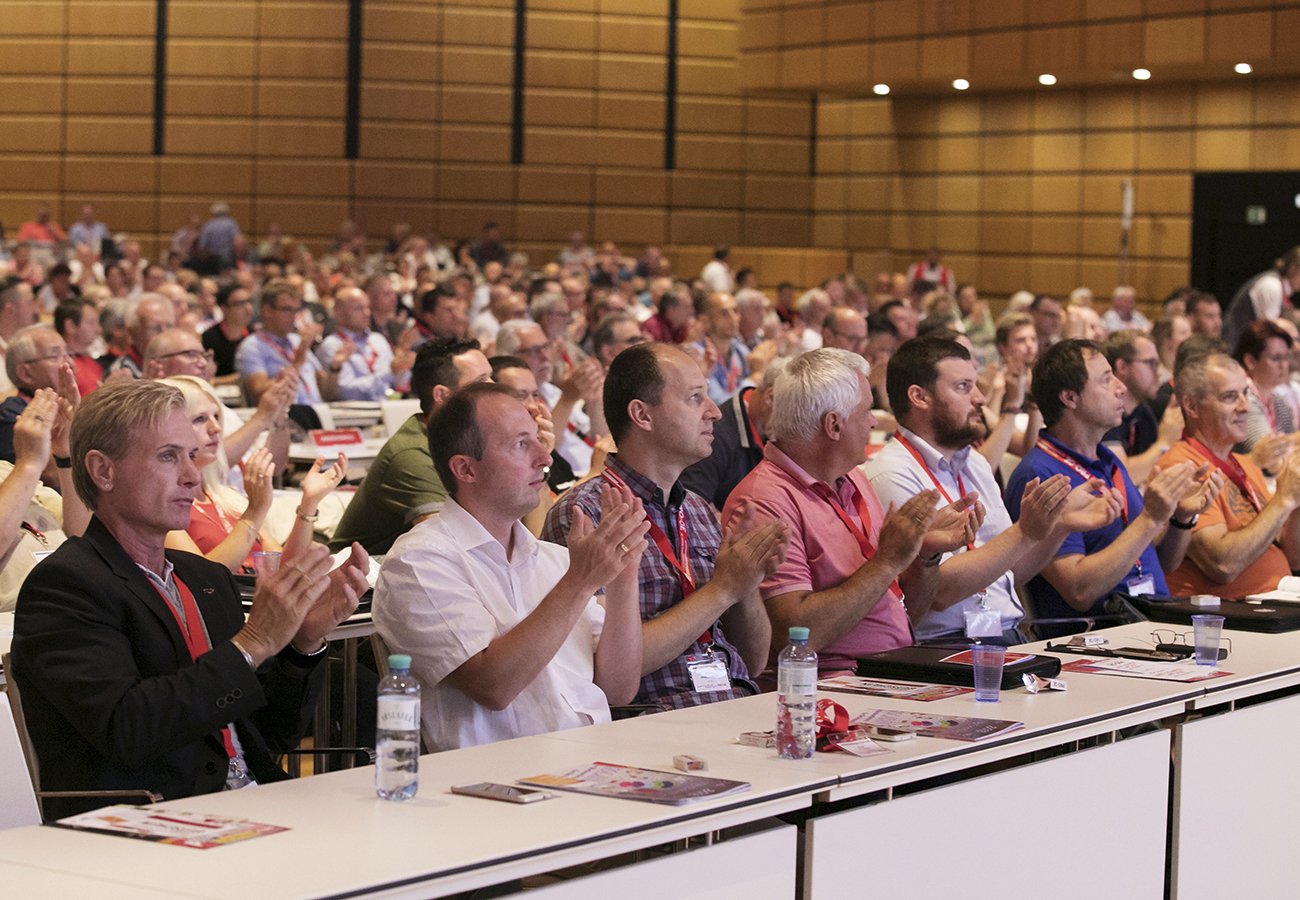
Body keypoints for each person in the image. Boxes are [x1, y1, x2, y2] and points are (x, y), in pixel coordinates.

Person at [10, 380, 369, 818]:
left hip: (256, 805)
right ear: (103, 471)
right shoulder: (66, 585)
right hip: (151, 823)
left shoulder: (204, 578)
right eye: (167, 456)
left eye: (191, 455)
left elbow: (269, 735)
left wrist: (302, 643)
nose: (192, 475)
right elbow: (128, 729)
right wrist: (252, 643)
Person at [374, 383, 647, 750]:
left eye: (538, 440)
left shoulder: (555, 560)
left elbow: (618, 689)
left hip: (592, 760)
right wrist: (581, 581)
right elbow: (493, 686)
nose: (545, 458)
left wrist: (623, 577)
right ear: (466, 469)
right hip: (496, 784)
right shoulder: (418, 561)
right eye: (521, 444)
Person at [542, 344, 789, 710]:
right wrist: (721, 590)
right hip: (650, 718)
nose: (714, 413)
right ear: (642, 414)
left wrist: (746, 581)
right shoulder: (586, 515)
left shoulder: (702, 511)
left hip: (734, 706)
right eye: (695, 398)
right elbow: (601, 668)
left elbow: (753, 662)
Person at [723, 349, 979, 673]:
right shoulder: (764, 502)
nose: (874, 421)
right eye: (866, 411)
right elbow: (796, 637)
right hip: (826, 689)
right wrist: (887, 562)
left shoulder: (852, 477)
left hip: (894, 668)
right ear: (833, 424)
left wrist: (923, 554)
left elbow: (906, 613)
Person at [865, 337, 1117, 643]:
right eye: (963, 387)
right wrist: (1025, 531)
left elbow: (1010, 570)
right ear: (919, 397)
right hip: (944, 643)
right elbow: (938, 591)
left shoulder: (975, 464)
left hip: (1005, 635)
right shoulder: (893, 473)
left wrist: (1058, 524)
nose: (981, 398)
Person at [1005, 340, 1219, 634]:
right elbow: (1078, 590)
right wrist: (1150, 519)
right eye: (1106, 380)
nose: (1121, 388)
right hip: (1098, 641)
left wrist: (1181, 518)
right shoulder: (1042, 475)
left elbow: (1163, 563)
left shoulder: (1107, 461)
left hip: (1150, 627)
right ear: (1070, 397)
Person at [160, 376, 345, 574]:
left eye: (216, 416)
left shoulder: (226, 497)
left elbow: (284, 568)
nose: (216, 428)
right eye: (199, 419)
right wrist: (254, 512)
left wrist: (309, 503)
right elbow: (204, 579)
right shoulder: (165, 507)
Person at [329, 337, 492, 555]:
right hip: (359, 581)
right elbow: (449, 549)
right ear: (442, 395)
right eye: (481, 381)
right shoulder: (413, 455)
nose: (495, 388)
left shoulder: (470, 441)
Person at [1155, 353, 1300, 598]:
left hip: (1279, 597)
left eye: (1245, 393)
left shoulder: (1243, 464)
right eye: (1230, 397)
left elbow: (1294, 555)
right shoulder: (1185, 466)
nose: (1245, 407)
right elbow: (1223, 565)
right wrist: (1283, 500)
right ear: (1192, 407)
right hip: (1227, 616)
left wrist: (1295, 503)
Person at [0, 388, 89, 611]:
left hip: (80, 604)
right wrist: (29, 464)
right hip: (17, 623)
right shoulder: (21, 472)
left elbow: (84, 534)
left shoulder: (6, 471)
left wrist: (67, 454)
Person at [680, 356, 785, 512]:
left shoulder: (771, 430)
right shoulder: (715, 435)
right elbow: (690, 509)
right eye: (793, 409)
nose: (798, 423)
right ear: (770, 397)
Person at [1101, 330, 1184, 484]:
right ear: (1123, 366)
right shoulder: (1103, 412)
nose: (1158, 372)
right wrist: (1165, 442)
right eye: (1151, 363)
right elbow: (1120, 477)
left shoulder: (1143, 412)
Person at [236, 280, 336, 405]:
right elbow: (260, 393)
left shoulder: (297, 340)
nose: (293, 316)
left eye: (296, 310)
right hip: (283, 418)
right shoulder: (251, 347)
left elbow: (326, 390)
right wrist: (297, 363)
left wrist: (335, 367)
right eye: (287, 310)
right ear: (267, 311)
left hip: (315, 413)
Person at [315, 286, 413, 401]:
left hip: (389, 407)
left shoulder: (378, 340)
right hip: (355, 415)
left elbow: (398, 384)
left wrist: (403, 367)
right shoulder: (332, 345)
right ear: (338, 313)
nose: (367, 313)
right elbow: (346, 393)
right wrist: (389, 372)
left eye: (367, 307)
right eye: (359, 308)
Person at [1233, 320, 1297, 452]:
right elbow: (1267, 454)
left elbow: (1294, 450)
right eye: (1276, 358)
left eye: (1286, 357)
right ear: (1250, 361)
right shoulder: (1244, 399)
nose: (1283, 365)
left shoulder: (1277, 400)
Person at [1223, 246, 1300, 348]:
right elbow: (1271, 331)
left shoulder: (1279, 286)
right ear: (1293, 268)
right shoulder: (1271, 285)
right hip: (1235, 349)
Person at [107, 293, 175, 379]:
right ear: (133, 332)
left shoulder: (181, 363)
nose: (164, 334)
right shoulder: (122, 373)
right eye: (155, 328)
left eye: (169, 326)